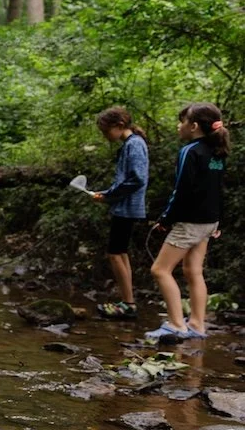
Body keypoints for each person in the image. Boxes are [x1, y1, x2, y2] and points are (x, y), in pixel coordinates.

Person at [146, 103, 228, 341]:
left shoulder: (190, 151)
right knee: (194, 271)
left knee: (160, 270)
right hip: (209, 222)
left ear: (193, 127)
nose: (178, 126)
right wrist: (218, 221)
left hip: (190, 222)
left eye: (182, 122)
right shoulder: (217, 150)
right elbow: (218, 189)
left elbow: (182, 191)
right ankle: (197, 325)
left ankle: (176, 325)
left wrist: (165, 219)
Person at [92, 107, 149, 320]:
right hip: (124, 206)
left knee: (115, 254)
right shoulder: (130, 144)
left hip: (128, 207)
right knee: (120, 253)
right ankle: (128, 301)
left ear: (119, 126)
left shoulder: (134, 144)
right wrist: (106, 194)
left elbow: (137, 179)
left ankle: (128, 304)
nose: (105, 136)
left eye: (106, 131)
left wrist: (109, 196)